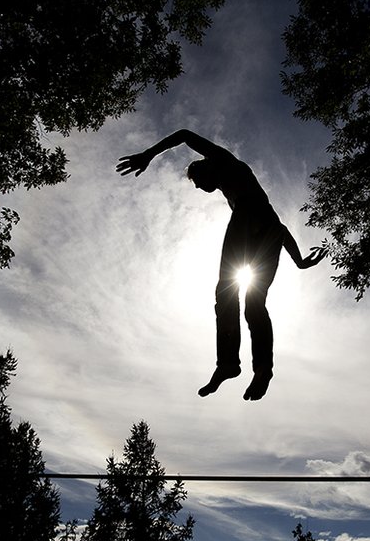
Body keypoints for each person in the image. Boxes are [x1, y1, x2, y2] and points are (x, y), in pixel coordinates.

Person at [117, 130, 324, 401]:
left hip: (248, 219)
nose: (199, 188)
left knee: (226, 290)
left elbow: (183, 135)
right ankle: (262, 368)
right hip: (270, 228)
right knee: (255, 302)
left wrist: (149, 154)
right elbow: (279, 227)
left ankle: (228, 363)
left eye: (198, 182)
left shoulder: (223, 160)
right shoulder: (237, 193)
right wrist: (298, 262)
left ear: (205, 169)